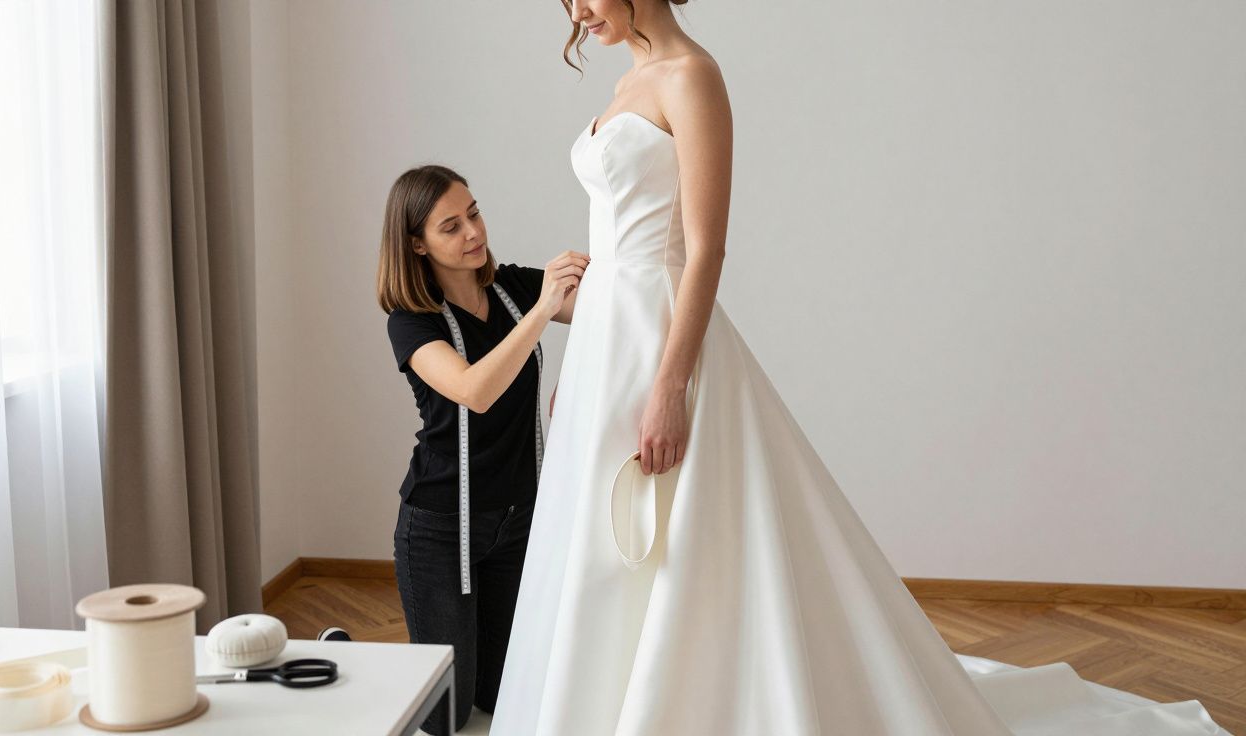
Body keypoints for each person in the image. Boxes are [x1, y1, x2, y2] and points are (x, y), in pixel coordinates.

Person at [488, 2, 1228, 735]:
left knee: (688, 540)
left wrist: (671, 387)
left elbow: (706, 247)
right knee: (605, 546)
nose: (578, 11)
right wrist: (580, 367)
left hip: (661, 336)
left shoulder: (692, 76)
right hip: (606, 344)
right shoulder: (626, 82)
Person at [376, 164, 589, 734]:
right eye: (450, 226)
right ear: (417, 244)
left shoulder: (514, 287)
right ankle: (353, 660)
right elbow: (475, 391)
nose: (473, 233)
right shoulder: (412, 322)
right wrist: (545, 310)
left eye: (474, 213)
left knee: (506, 695)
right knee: (446, 715)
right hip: (440, 527)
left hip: (518, 519)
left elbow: (608, 310)